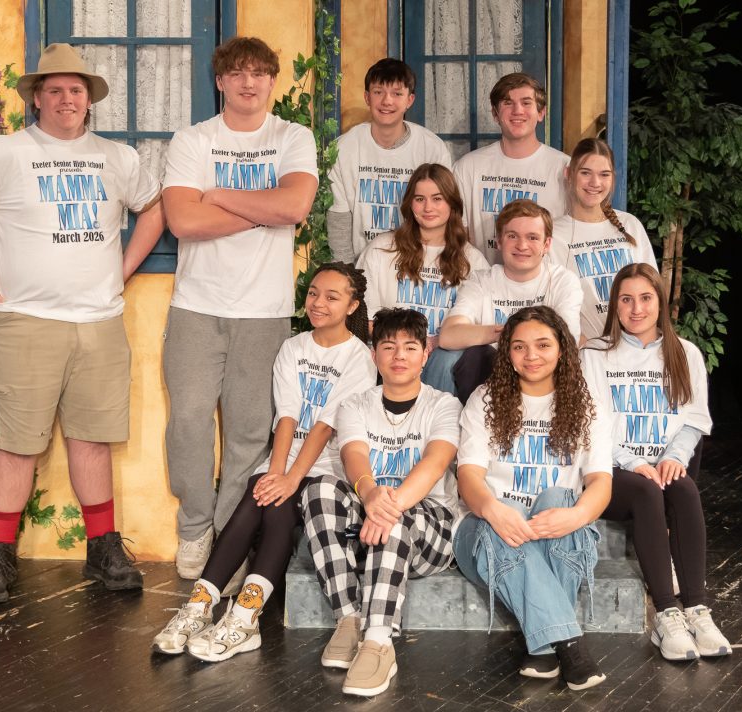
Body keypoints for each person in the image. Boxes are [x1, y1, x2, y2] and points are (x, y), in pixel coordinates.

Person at [0, 43, 164, 603]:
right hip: (26, 321)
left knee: (92, 440)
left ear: (89, 99)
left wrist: (123, 270)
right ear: (36, 98)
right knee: (18, 444)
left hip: (99, 322)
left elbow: (154, 208)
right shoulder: (4, 154)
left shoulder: (117, 158)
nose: (66, 99)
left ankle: (103, 548)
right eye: (55, 90)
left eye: (76, 90)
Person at [152, 263, 376, 662]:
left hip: (327, 467)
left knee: (277, 504)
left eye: (332, 297)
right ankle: (199, 607)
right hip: (285, 457)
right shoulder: (294, 347)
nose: (317, 303)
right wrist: (275, 472)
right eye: (313, 293)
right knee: (260, 495)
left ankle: (244, 616)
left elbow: (325, 426)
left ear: (352, 305)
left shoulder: (360, 357)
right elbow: (286, 415)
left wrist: (290, 479)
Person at [161, 37, 319, 581]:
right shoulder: (193, 139)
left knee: (249, 432)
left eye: (259, 73)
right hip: (195, 306)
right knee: (188, 420)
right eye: (237, 73)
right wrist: (264, 208)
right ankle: (194, 526)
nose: (248, 83)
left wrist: (220, 195)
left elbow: (295, 204)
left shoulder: (292, 137)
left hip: (264, 310)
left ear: (272, 81)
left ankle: (229, 539)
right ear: (221, 82)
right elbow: (184, 221)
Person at [301, 308, 462, 697]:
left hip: (429, 531)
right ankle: (348, 619)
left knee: (397, 521)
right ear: (374, 355)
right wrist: (371, 494)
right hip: (369, 524)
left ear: (425, 355)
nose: (399, 355)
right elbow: (354, 455)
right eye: (388, 347)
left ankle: (378, 641)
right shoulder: (356, 404)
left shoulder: (445, 405)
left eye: (410, 347)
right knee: (318, 488)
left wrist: (389, 507)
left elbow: (435, 462)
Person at [454, 305, 611, 691]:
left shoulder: (586, 403)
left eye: (543, 345)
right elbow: (468, 477)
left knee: (560, 497)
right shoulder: (485, 399)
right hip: (487, 537)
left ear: (562, 349)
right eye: (519, 346)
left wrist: (576, 516)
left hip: (555, 533)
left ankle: (542, 647)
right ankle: (570, 644)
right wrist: (492, 509)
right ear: (507, 352)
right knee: (502, 510)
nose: (531, 356)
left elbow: (600, 483)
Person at [580, 263, 731, 661]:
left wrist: (674, 458)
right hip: (610, 470)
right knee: (647, 489)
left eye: (645, 298)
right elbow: (589, 422)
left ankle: (697, 609)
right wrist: (631, 461)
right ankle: (666, 614)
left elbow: (695, 420)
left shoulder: (686, 353)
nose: (636, 309)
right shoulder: (595, 354)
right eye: (626, 299)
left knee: (684, 488)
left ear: (660, 302)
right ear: (614, 305)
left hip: (661, 466)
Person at [356, 163, 489, 390]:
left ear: (452, 203)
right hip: (393, 352)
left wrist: (437, 342)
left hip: (442, 356)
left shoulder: (472, 260)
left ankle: (437, 413)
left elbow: (480, 326)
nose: (428, 207)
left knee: (448, 358)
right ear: (410, 203)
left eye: (437, 199)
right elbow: (364, 319)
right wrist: (408, 345)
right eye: (420, 199)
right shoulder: (382, 249)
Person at [437, 199, 581, 402]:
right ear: (499, 241)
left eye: (532, 237)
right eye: (512, 236)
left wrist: (513, 341)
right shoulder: (482, 280)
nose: (522, 245)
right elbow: (448, 336)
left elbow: (567, 341)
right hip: (488, 379)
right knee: (460, 356)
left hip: (542, 375)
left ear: (546, 244)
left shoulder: (563, 281)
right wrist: (512, 335)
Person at [328, 58, 452, 263]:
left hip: (418, 264)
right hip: (361, 266)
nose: (387, 101)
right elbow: (339, 221)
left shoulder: (432, 148)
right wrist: (347, 274)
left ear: (410, 100)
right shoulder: (344, 148)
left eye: (397, 93)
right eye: (378, 92)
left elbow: (443, 215)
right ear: (367, 97)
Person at [453, 72, 569, 265]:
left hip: (544, 281)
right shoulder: (467, 168)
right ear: (495, 114)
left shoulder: (564, 168)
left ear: (541, 113)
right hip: (483, 279)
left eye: (526, 103)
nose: (517, 110)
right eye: (508, 103)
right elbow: (457, 236)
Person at [550, 138, 658, 342]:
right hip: (583, 351)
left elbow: (653, 292)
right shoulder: (552, 234)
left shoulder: (630, 224)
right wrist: (587, 351)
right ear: (568, 174)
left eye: (604, 174)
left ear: (612, 178)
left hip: (635, 348)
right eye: (585, 173)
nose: (595, 183)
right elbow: (551, 307)